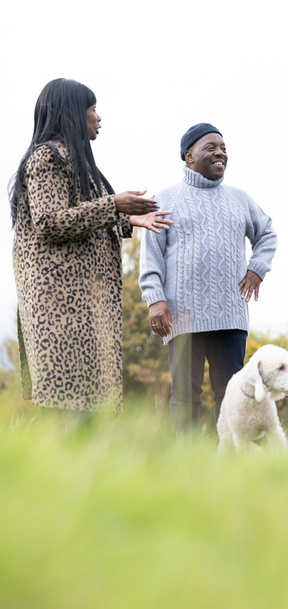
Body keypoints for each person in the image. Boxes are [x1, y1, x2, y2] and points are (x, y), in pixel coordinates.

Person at [10, 78, 173, 415]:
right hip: (60, 309)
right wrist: (114, 205)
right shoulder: (47, 157)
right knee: (65, 409)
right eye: (93, 109)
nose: (99, 118)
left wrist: (128, 220)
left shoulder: (78, 162)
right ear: (72, 112)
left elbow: (83, 217)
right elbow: (51, 221)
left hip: (85, 305)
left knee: (90, 410)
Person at [139, 123, 277, 430]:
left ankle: (225, 464)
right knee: (185, 396)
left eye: (224, 148)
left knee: (230, 396)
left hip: (230, 313)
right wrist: (155, 300)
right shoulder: (164, 199)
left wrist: (257, 269)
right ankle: (185, 464)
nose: (220, 153)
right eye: (211, 147)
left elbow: (267, 234)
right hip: (182, 315)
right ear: (189, 157)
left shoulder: (240, 199)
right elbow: (151, 255)